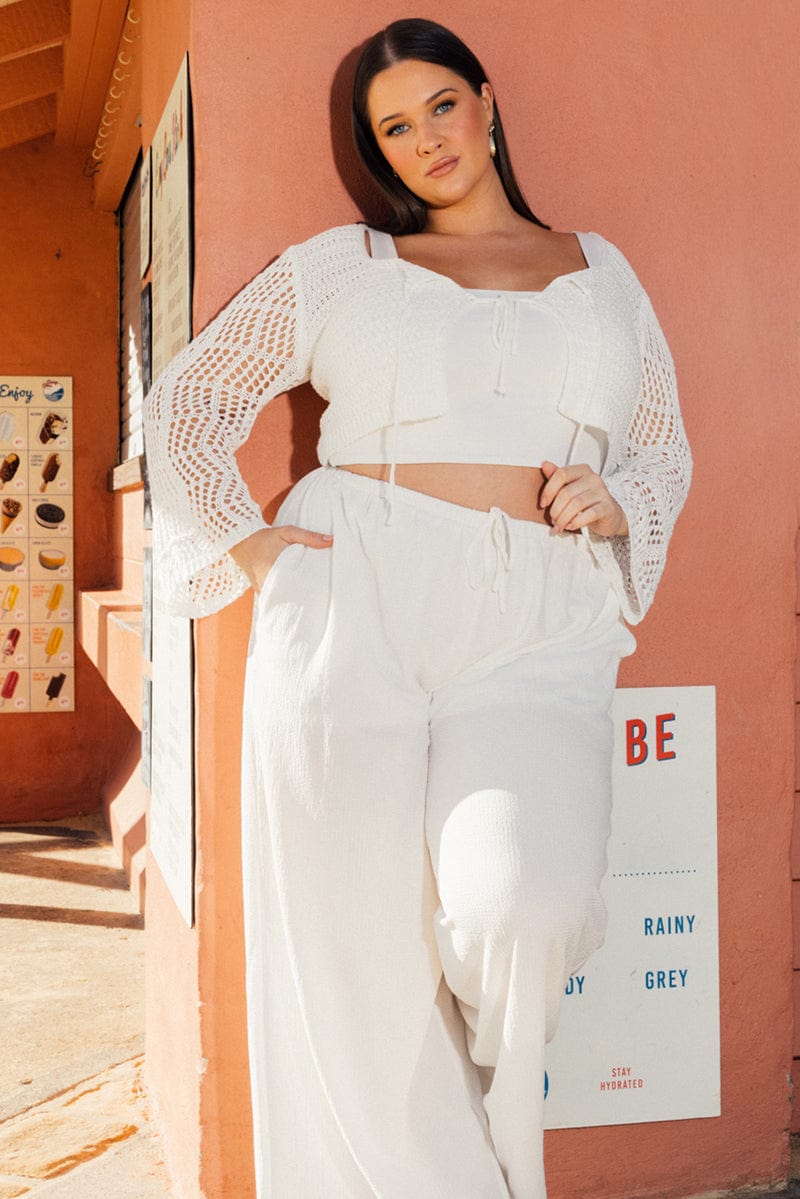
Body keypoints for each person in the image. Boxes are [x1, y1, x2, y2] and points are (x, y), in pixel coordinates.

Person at [144, 17, 691, 1198]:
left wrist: (619, 496)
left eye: (440, 105)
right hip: (355, 596)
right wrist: (247, 545)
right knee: (347, 946)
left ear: (486, 104)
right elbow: (187, 402)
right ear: (377, 154)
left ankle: (475, 1140)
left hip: (537, 614)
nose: (424, 140)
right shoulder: (346, 267)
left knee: (520, 905)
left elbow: (661, 447)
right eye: (393, 128)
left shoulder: (600, 270)